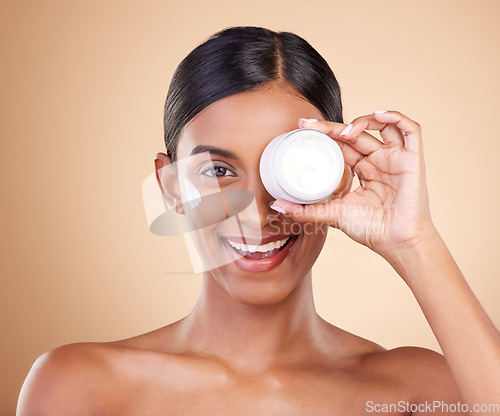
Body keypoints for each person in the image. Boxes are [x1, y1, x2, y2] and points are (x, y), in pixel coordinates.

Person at [17, 26, 500, 415]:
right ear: (171, 188)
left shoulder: (416, 392)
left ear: (338, 179)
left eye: (288, 171)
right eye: (218, 171)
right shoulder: (81, 387)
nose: (256, 212)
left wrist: (414, 241)